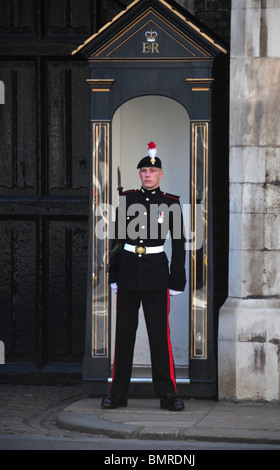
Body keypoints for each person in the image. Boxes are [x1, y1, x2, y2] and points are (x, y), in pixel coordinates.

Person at [102, 142, 186, 411]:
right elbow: (115, 240)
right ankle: (117, 393)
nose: (147, 174)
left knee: (159, 336)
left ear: (160, 174)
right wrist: (113, 275)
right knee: (124, 335)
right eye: (143, 171)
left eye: (152, 170)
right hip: (127, 272)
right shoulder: (127, 199)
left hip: (156, 274)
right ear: (139, 174)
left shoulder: (171, 202)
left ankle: (167, 394)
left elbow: (180, 243)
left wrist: (177, 280)